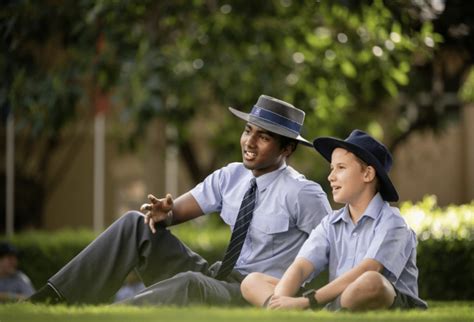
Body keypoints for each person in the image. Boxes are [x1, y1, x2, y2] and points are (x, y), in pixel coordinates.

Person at [28, 95, 331, 306]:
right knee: (138, 224)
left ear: (288, 149)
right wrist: (164, 213)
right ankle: (49, 300)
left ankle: (110, 317)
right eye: (248, 131)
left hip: (252, 295)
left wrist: (299, 300)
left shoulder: (304, 193)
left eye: (263, 137)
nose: (249, 142)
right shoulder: (231, 176)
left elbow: (334, 248)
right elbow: (174, 213)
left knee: (190, 283)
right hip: (217, 277)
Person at [241, 129, 428, 311]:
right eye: (332, 168)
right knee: (252, 282)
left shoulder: (393, 223)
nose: (331, 177)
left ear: (368, 174)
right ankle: (303, 315)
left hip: (381, 298)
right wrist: (279, 302)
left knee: (371, 281)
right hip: (336, 301)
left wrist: (307, 302)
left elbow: (367, 270)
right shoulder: (330, 223)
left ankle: (314, 314)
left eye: (341, 168)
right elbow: (300, 267)